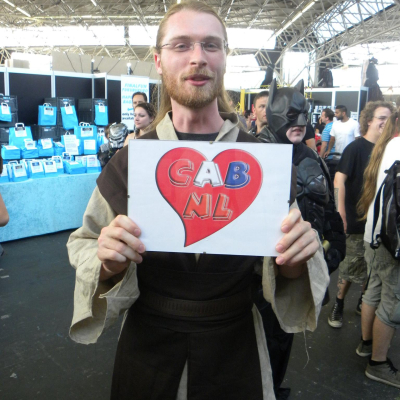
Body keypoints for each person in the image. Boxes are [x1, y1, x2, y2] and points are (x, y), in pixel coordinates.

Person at [67, 2, 328, 399]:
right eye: (181, 45)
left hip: (236, 346)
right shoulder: (132, 161)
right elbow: (85, 240)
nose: (198, 57)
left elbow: (286, 262)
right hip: (147, 345)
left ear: (224, 57)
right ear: (158, 60)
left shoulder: (260, 161)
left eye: (210, 45)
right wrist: (105, 261)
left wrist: (295, 261)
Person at [257, 79, 345, 398]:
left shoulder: (311, 157)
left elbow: (328, 208)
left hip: (300, 270)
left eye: (304, 115)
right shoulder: (252, 155)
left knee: (284, 337)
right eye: (291, 115)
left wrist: (334, 247)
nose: (301, 122)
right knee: (259, 346)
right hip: (259, 277)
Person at [328, 101, 394, 329]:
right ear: (369, 121)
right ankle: (338, 303)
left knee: (371, 270)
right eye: (381, 118)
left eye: (389, 118)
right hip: (356, 221)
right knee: (349, 268)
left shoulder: (389, 149)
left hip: (380, 223)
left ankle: (362, 302)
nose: (386, 122)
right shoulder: (356, 148)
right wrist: (341, 213)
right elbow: (339, 180)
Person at [356, 111, 400, 387]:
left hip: (374, 233)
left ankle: (367, 344)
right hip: (392, 240)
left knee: (373, 289)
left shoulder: (389, 144)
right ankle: (378, 364)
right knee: (393, 301)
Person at [319, 108, 337, 182]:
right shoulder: (336, 126)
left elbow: (324, 146)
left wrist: (320, 158)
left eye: (322, 116)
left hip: (329, 158)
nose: (321, 117)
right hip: (336, 156)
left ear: (327, 118)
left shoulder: (326, 129)